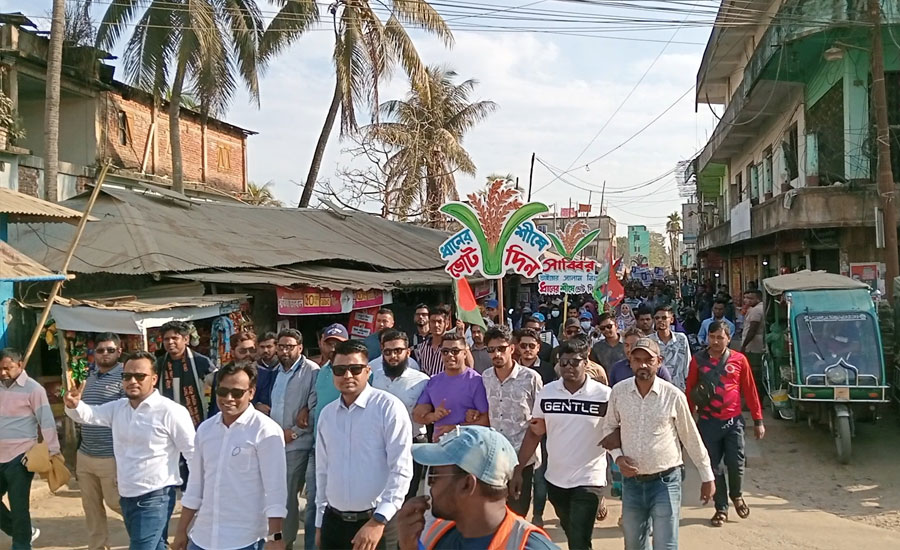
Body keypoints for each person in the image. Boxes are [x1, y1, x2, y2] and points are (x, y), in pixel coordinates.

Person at [65, 351, 195, 550]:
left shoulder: (171, 411)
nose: (132, 381)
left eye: (139, 376)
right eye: (126, 376)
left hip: (155, 496)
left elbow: (192, 454)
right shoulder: (119, 408)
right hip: (126, 495)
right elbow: (90, 415)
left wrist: (197, 494)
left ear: (154, 379)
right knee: (157, 545)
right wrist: (74, 405)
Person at [600, 338, 715, 550]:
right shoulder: (619, 392)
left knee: (665, 544)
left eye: (648, 360)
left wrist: (707, 476)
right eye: (637, 360)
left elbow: (690, 437)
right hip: (632, 484)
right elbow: (608, 428)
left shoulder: (673, 396)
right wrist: (618, 457)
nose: (643, 365)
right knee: (634, 545)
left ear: (659, 361)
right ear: (630, 361)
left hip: (666, 482)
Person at [173, 362, 287, 550]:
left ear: (251, 393)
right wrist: (181, 531)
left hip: (245, 539)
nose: (228, 398)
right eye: (222, 391)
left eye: (236, 393)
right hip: (203, 537)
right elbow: (195, 487)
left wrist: (275, 537)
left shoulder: (265, 431)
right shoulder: (206, 430)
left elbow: (275, 490)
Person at [511, 338, 611, 550]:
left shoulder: (604, 396)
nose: (568, 367)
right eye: (563, 362)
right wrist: (518, 469)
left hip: (590, 479)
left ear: (586, 362)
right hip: (555, 480)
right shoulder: (547, 392)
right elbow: (534, 432)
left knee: (579, 538)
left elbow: (615, 432)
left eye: (574, 362)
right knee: (571, 529)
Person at [315, 340, 413, 550]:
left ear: (368, 371)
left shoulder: (388, 408)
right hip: (333, 523)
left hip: (378, 523)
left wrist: (378, 521)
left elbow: (401, 470)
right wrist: (319, 523)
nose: (347, 376)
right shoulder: (327, 415)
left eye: (355, 369)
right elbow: (322, 472)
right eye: (340, 370)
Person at [395, 426, 557, 550]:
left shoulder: (527, 546)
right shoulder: (437, 535)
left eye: (434, 476)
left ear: (467, 485)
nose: (429, 485)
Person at [686, 321, 765, 528]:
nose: (715, 341)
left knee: (736, 463)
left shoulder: (740, 360)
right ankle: (721, 508)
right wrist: (687, 418)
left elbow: (750, 389)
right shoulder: (698, 361)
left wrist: (758, 420)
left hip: (733, 422)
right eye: (712, 337)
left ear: (728, 339)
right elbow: (690, 390)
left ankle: (737, 495)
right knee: (714, 468)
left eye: (720, 337)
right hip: (707, 423)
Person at [1, 348, 61, 549]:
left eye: (8, 368)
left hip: (21, 457)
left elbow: (46, 421)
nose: (3, 373)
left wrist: (53, 450)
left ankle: (21, 545)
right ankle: (26, 532)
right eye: (0, 369)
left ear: (20, 365)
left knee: (19, 507)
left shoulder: (34, 389)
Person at [481, 326, 543, 517]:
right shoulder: (485, 377)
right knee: (494, 516)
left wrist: (518, 469)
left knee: (517, 516)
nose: (496, 354)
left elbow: (538, 425)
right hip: (494, 460)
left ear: (512, 348)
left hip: (522, 460)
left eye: (501, 348)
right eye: (491, 350)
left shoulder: (531, 378)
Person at [270, 329, 319, 550]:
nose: (285, 351)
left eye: (290, 346)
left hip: (298, 444)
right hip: (277, 444)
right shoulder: (278, 372)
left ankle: (285, 543)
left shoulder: (311, 371)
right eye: (281, 346)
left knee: (288, 496)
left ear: (300, 348)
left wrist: (295, 433)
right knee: (279, 496)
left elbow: (313, 408)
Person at [77, 334, 126, 550]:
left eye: (110, 350)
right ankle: (97, 547)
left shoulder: (126, 378)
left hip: (111, 455)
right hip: (85, 454)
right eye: (100, 350)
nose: (105, 354)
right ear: (94, 353)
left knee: (116, 502)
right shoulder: (90, 377)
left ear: (119, 351)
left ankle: (149, 535)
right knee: (91, 507)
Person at [371, 330, 430, 501]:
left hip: (411, 446)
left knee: (406, 497)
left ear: (408, 352)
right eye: (388, 352)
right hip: (381, 446)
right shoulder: (376, 378)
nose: (393, 356)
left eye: (398, 351)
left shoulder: (422, 381)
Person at [413, 332, 490, 442]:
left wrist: (456, 429)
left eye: (455, 351)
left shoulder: (476, 381)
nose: (450, 355)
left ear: (464, 353)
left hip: (469, 448)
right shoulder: (434, 381)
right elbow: (417, 416)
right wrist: (434, 416)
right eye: (445, 351)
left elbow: (486, 420)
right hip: (440, 450)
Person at [156, 321, 213, 427]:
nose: (170, 342)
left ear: (186, 339)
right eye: (166, 339)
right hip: (167, 421)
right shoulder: (159, 364)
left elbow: (215, 386)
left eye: (174, 338)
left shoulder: (200, 361)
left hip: (196, 421)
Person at [608, 329, 673, 387]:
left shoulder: (657, 368)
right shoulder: (617, 368)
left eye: (633, 345)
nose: (629, 349)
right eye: (626, 345)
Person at [649, 306, 692, 391]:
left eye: (664, 318)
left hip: (679, 388)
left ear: (671, 320)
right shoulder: (649, 341)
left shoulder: (681, 339)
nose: (660, 320)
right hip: (657, 388)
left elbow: (687, 364)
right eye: (657, 318)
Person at [740, 290, 766, 398]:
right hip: (757, 344)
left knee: (754, 373)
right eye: (746, 297)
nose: (747, 300)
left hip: (753, 346)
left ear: (758, 299)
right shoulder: (757, 308)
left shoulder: (756, 311)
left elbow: (752, 330)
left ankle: (755, 398)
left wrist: (744, 345)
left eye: (751, 298)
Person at [417, 306, 452, 377]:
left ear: (447, 324)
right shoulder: (422, 347)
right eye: (433, 322)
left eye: (439, 322)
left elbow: (469, 365)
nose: (436, 325)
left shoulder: (452, 347)